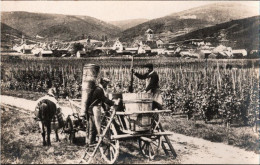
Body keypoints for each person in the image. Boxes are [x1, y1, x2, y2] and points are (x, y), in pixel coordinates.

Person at [85, 77, 119, 146]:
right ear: (103, 82)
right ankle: (93, 141)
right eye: (106, 83)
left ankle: (91, 141)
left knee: (93, 125)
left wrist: (105, 108)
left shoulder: (98, 89)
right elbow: (104, 99)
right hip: (94, 108)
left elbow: (100, 100)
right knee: (95, 125)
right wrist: (113, 103)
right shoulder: (99, 90)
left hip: (91, 108)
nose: (106, 85)